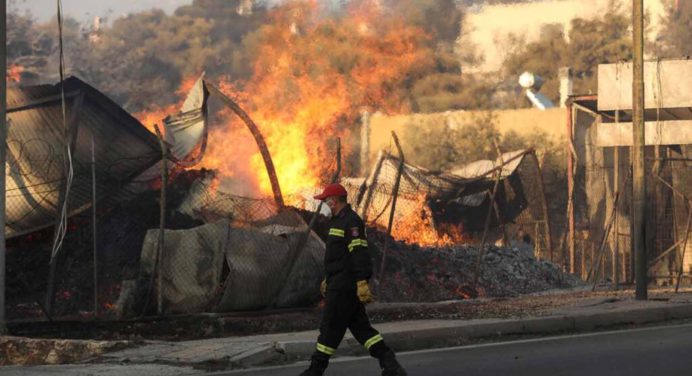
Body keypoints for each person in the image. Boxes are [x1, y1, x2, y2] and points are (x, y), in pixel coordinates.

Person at [300, 183, 407, 376]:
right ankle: (390, 364)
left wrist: (361, 281)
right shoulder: (337, 221)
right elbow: (337, 255)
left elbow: (359, 253)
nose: (325, 203)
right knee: (361, 329)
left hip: (344, 287)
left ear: (334, 200)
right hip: (338, 282)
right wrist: (328, 278)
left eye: (326, 200)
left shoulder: (351, 221)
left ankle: (315, 370)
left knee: (330, 327)